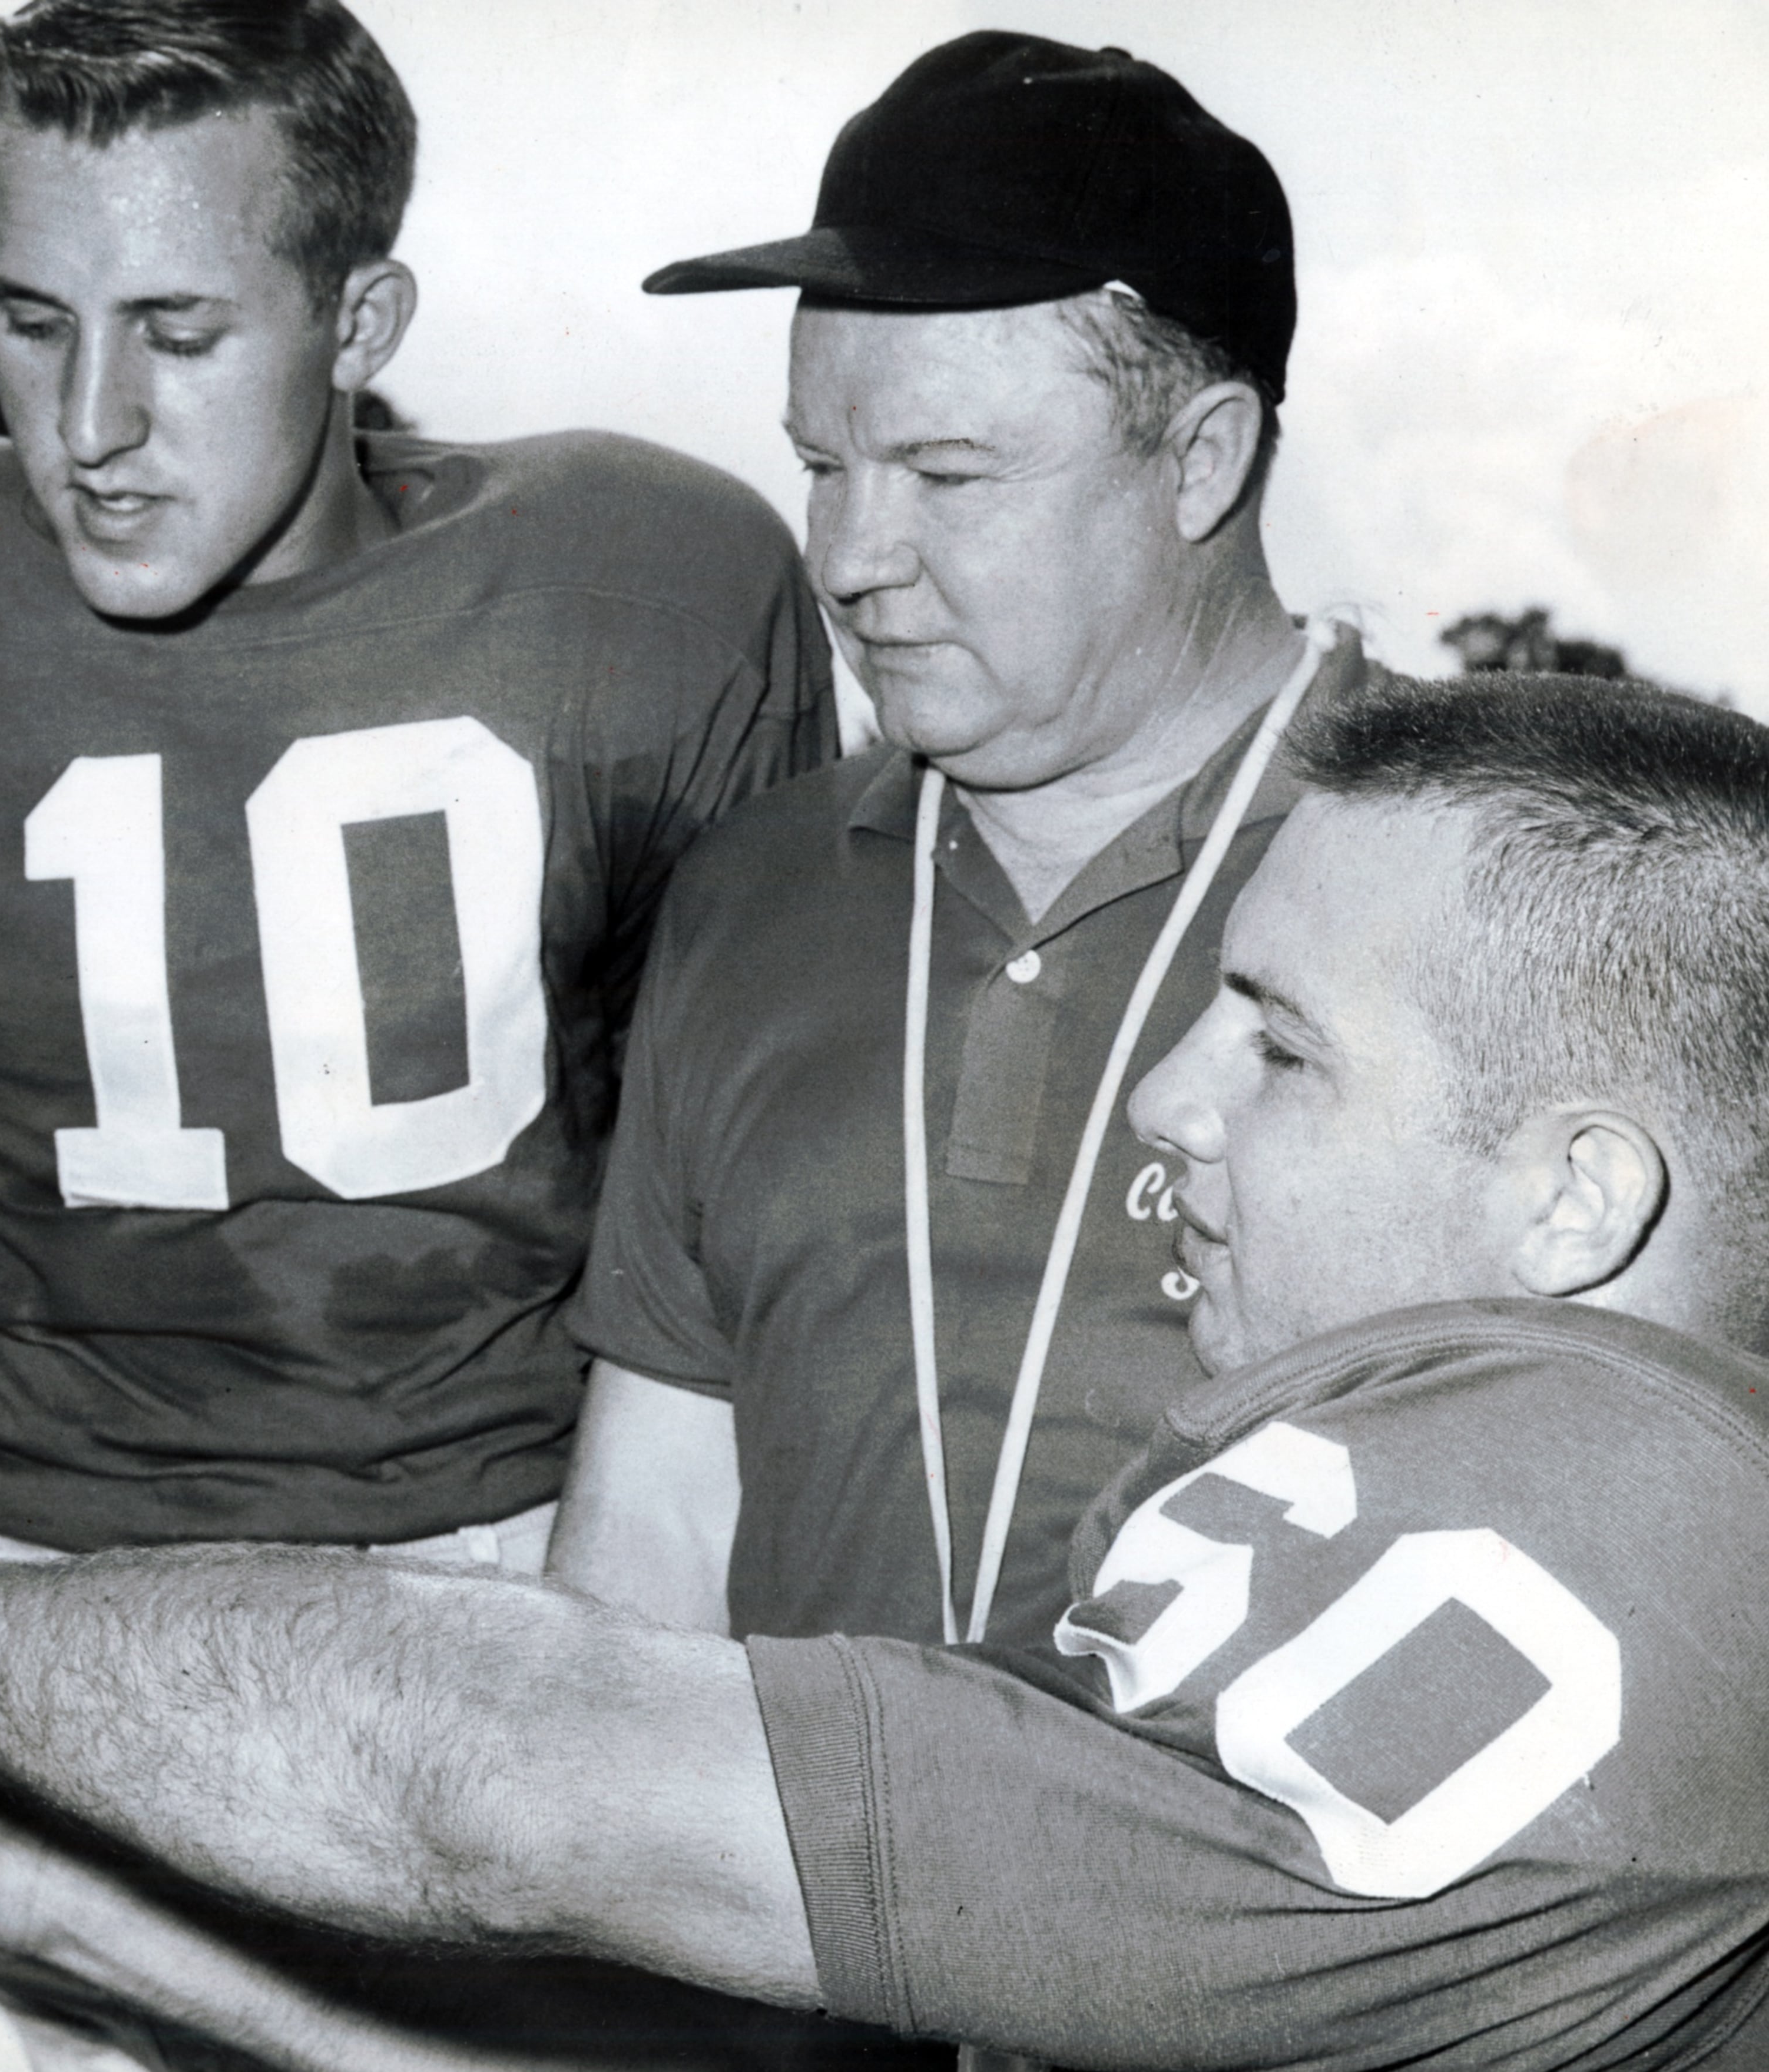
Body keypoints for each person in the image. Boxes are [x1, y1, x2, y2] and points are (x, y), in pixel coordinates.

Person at [0, 670, 1769, 2072]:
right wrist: (3, 1814)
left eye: (1278, 1044)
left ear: (1578, 1199)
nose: (1166, 1101)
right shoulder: (1542, 1518)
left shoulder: (1657, 1547)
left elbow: (495, 1778)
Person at [0, 0, 832, 2062]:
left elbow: (753, 1238)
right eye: (26, 312)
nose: (91, 417)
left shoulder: (655, 589)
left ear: (361, 319)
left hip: (505, 1622)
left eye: (179, 330)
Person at [548, 32, 1365, 1675]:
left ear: (1200, 461)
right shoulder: (747, 891)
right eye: (823, 466)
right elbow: (647, 1536)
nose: (848, 556)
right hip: (761, 1911)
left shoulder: (1471, 871)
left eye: (946, 471)